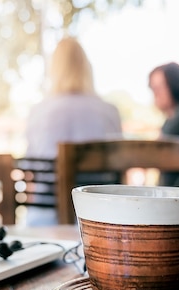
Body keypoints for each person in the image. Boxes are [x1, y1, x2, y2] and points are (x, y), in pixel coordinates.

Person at [24, 36, 122, 225]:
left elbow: (31, 171)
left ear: (54, 69)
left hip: (44, 221)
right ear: (87, 67)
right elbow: (118, 173)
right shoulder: (110, 112)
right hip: (99, 219)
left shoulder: (38, 112)